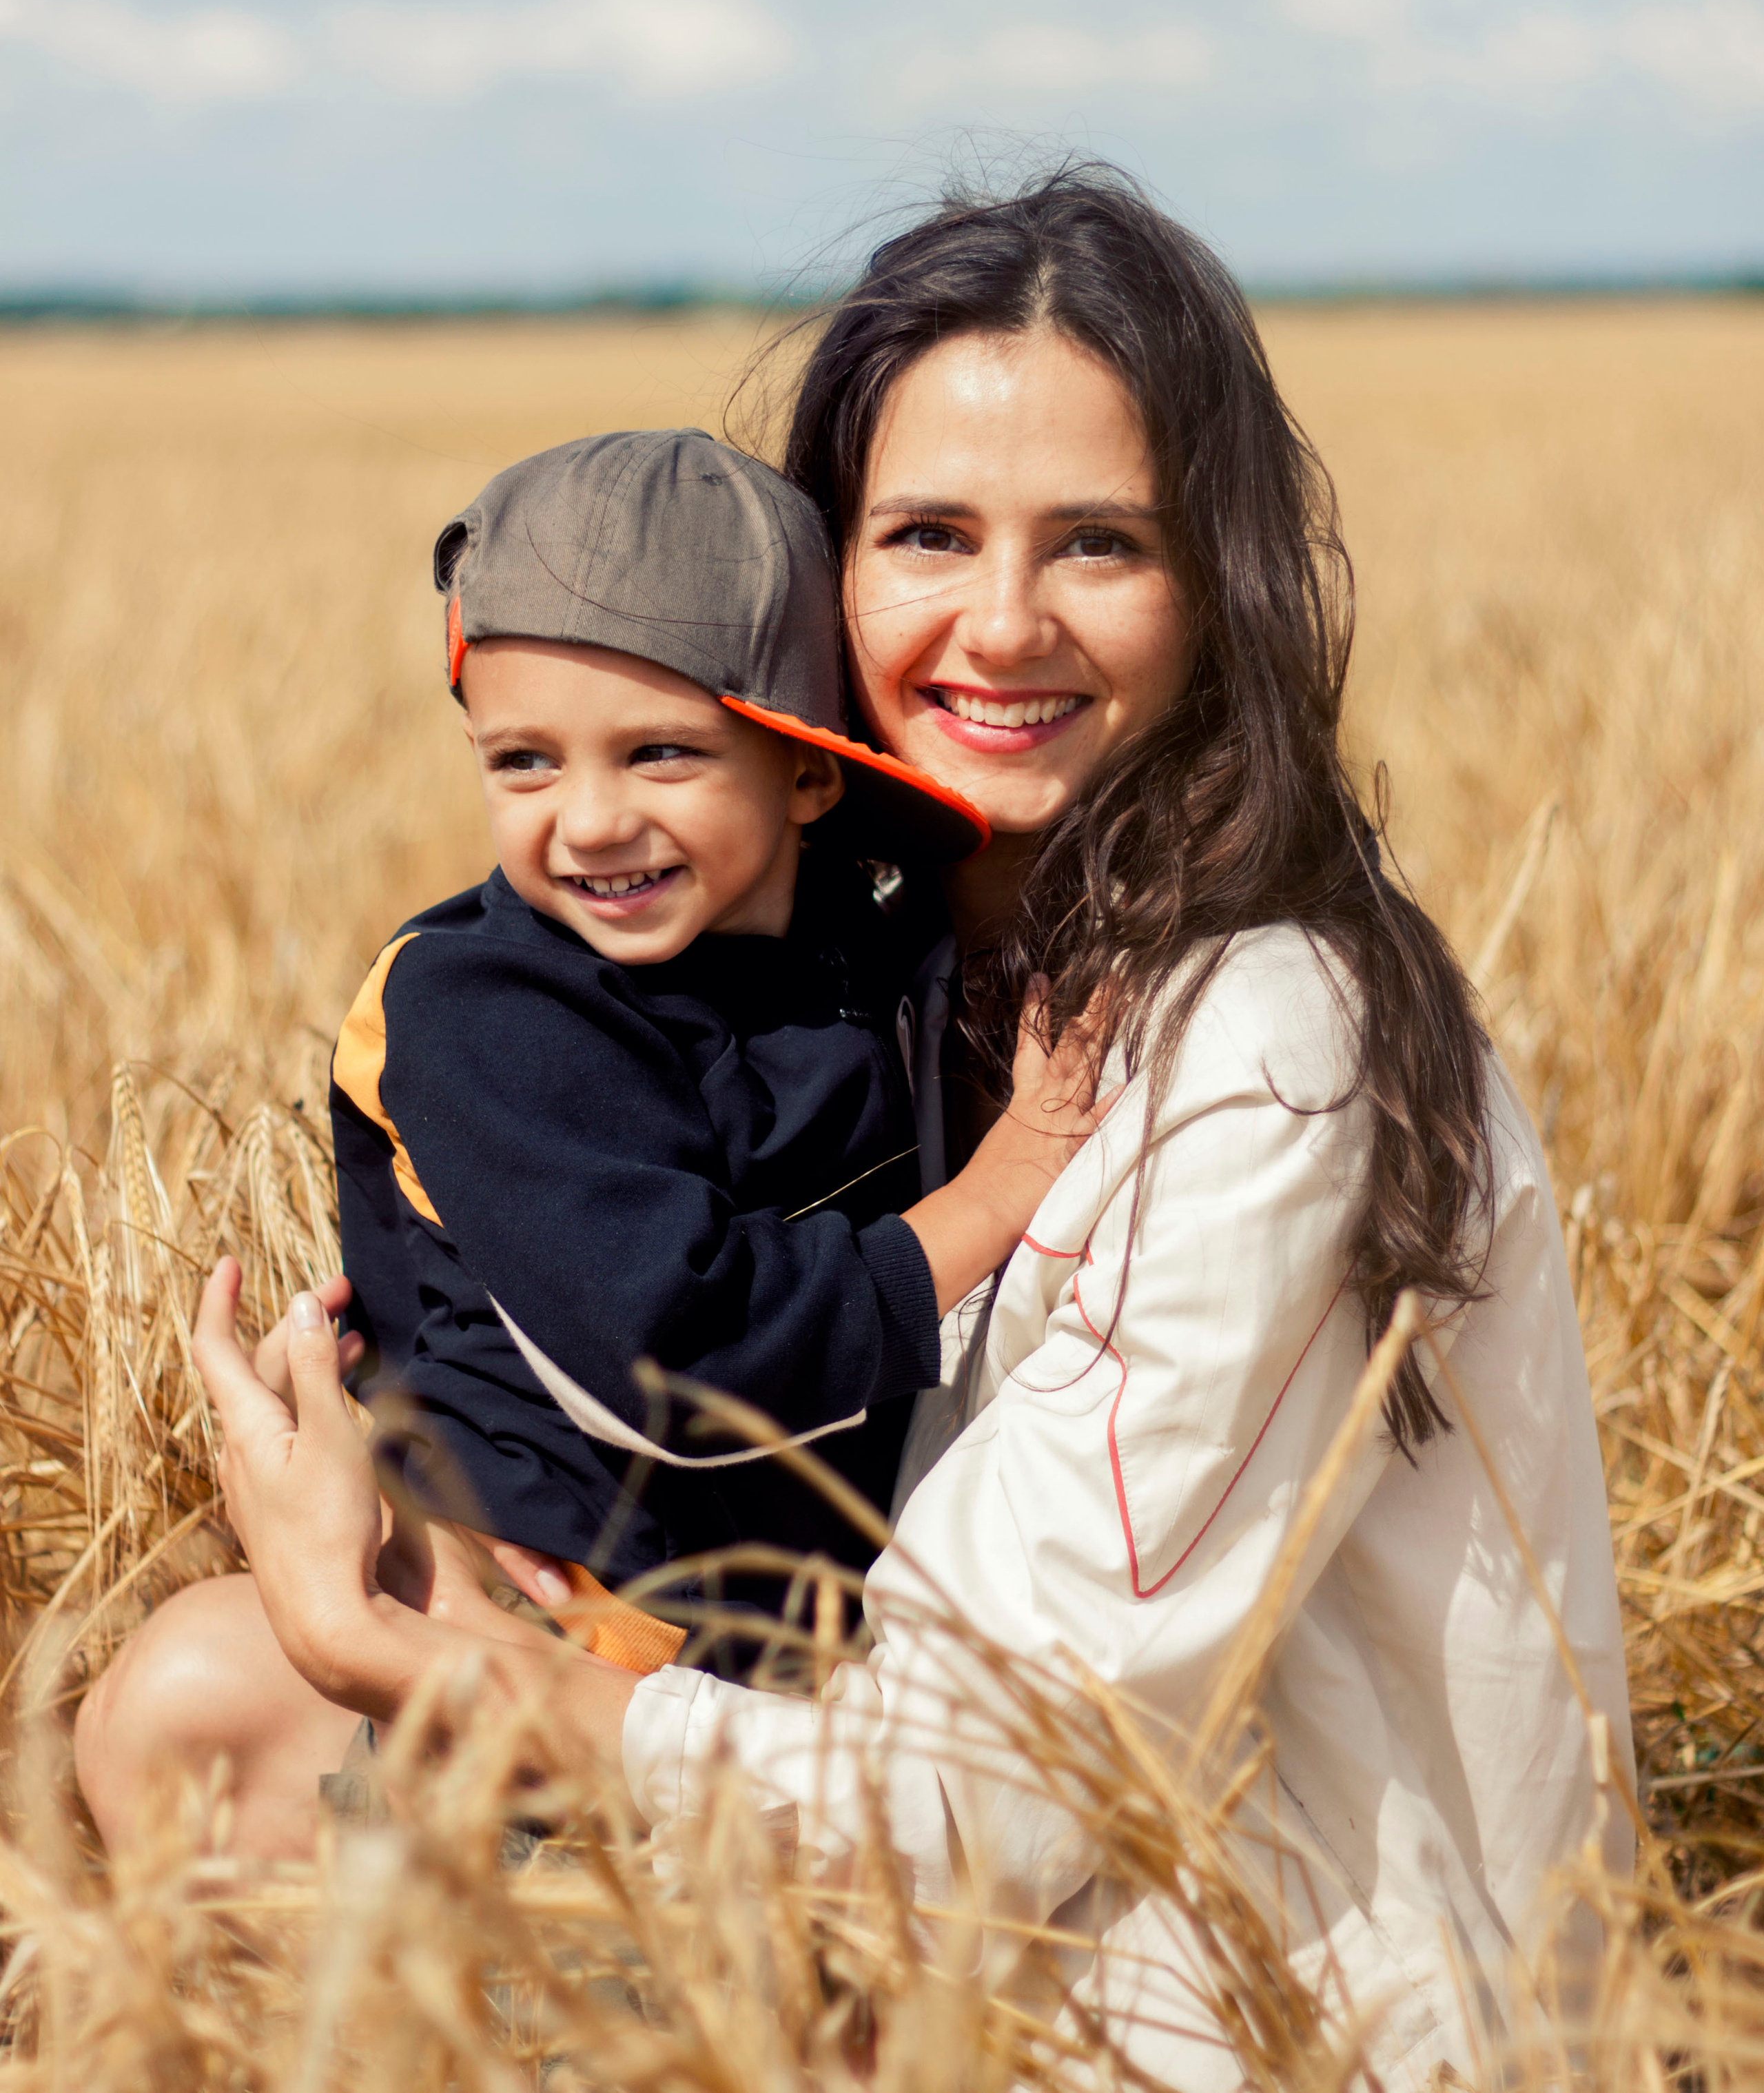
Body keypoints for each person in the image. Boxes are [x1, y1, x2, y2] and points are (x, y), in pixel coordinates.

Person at [86, 167, 1633, 2088]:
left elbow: (984, 1803)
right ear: (812, 602)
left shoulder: (1270, 1042)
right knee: (194, 1708)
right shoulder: (866, 972)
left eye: (1098, 545)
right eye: (924, 535)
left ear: (1217, 585)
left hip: (1237, 2023)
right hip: (915, 1948)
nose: (1002, 623)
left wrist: (405, 1639)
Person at [327, 424, 1092, 1665]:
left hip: (789, 1610)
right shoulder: (484, 1011)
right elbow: (684, 1352)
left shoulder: (859, 928)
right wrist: (1009, 1181)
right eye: (523, 760)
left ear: (806, 775)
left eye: (661, 753)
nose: (589, 821)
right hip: (560, 1616)